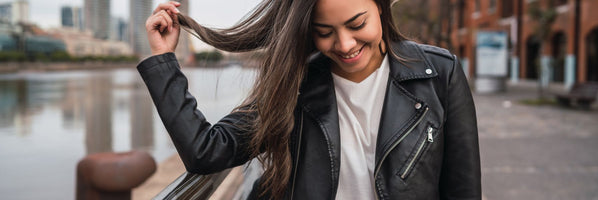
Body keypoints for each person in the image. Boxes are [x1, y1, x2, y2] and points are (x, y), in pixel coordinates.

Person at [138, 0, 481, 199]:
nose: (345, 44)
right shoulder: (293, 86)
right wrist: (162, 60)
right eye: (324, 32)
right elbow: (205, 151)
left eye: (356, 23)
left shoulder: (439, 73)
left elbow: (463, 188)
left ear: (380, 7)